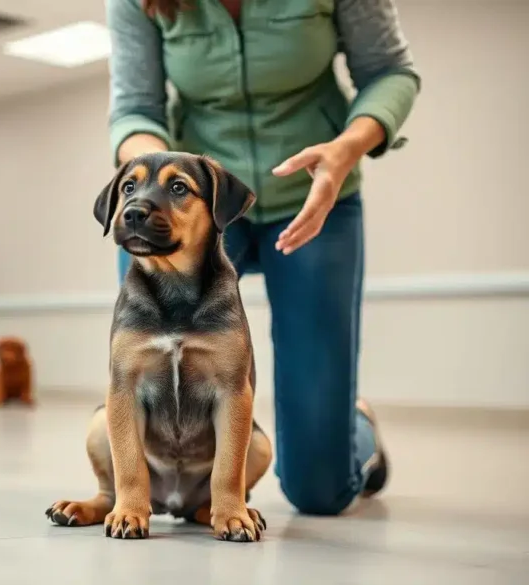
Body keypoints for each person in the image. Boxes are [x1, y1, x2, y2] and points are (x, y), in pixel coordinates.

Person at [106, 0, 419, 515]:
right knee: (145, 391)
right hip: (195, 206)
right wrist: (156, 189)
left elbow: (390, 72)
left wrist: (345, 148)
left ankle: (352, 424)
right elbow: (136, 107)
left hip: (316, 195)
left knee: (320, 491)